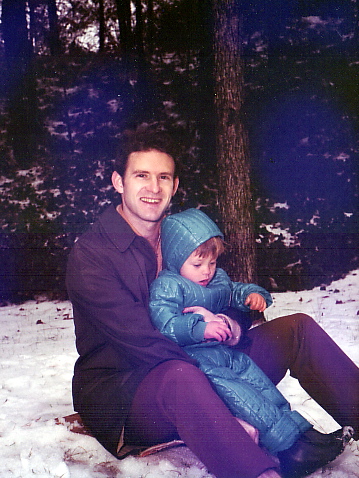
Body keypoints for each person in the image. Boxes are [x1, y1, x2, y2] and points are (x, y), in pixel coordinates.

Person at [66, 127, 359, 478]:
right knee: (182, 376)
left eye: (163, 177)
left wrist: (233, 326)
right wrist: (220, 410)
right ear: (119, 182)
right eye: (141, 175)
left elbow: (222, 291)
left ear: (174, 186)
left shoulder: (183, 235)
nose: (153, 188)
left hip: (212, 365)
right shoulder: (92, 254)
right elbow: (139, 342)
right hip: (127, 392)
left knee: (297, 329)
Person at [149, 207, 329, 457]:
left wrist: (253, 295)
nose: (206, 271)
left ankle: (299, 432)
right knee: (242, 396)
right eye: (197, 263)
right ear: (175, 257)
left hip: (227, 354)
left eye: (212, 262)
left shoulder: (217, 280)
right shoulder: (168, 286)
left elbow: (234, 291)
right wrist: (201, 328)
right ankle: (289, 450)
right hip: (197, 361)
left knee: (262, 387)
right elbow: (165, 324)